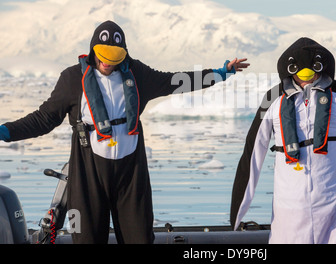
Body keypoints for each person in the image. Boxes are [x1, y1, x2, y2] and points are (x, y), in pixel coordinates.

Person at [0, 20, 249, 244]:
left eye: (115, 56)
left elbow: (176, 82)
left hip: (131, 174)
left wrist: (220, 73)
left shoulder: (137, 73)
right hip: (88, 175)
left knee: (139, 239)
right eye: (104, 55)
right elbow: (44, 119)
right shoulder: (72, 78)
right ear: (93, 50)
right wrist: (5, 132)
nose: (108, 62)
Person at [230, 37, 336, 244]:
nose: (307, 76)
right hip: (289, 207)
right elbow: (253, 150)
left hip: (335, 204)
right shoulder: (272, 99)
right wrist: (238, 211)